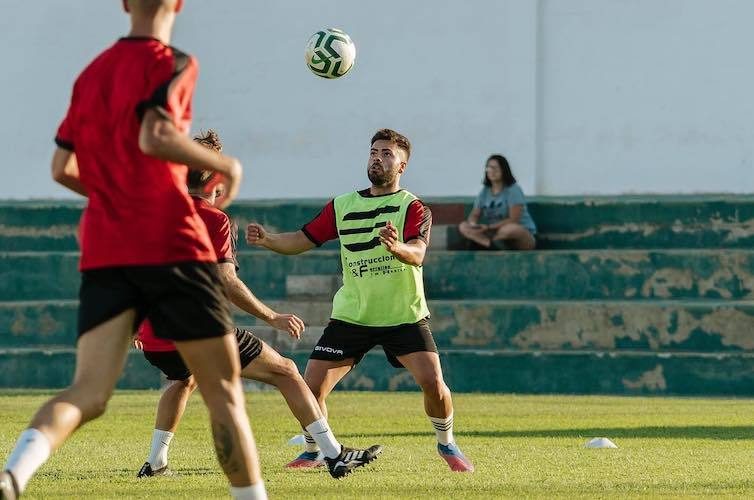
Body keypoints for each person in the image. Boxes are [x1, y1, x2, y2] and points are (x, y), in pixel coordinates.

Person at [0, 2, 267, 499]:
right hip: (171, 242)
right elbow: (156, 133)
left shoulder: (91, 73)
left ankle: (14, 473)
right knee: (222, 391)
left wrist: (114, 194)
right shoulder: (173, 61)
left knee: (88, 392)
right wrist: (224, 164)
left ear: (125, 4)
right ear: (179, 4)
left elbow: (62, 167)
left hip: (106, 245)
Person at [135, 130, 382, 480]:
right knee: (285, 371)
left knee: (181, 378)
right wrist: (272, 316)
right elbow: (226, 280)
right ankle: (334, 454)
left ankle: (156, 462)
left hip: (156, 338)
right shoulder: (214, 219)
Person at [246, 128, 474, 473]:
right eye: (373, 152)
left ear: (402, 166)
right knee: (311, 388)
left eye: (387, 154)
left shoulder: (412, 207)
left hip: (402, 315)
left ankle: (447, 443)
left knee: (433, 384)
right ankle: (315, 451)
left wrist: (397, 248)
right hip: (353, 315)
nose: (377, 158)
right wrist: (267, 240)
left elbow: (418, 253)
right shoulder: (343, 205)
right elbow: (302, 239)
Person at [458, 154, 537, 250]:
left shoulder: (513, 190)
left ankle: (485, 243)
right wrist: (473, 224)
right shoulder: (485, 191)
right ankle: (491, 245)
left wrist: (488, 228)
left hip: (520, 234)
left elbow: (514, 219)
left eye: (495, 168)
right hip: (494, 232)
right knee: (463, 226)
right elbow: (475, 214)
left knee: (510, 229)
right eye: (489, 168)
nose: (491, 171)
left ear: (504, 170)